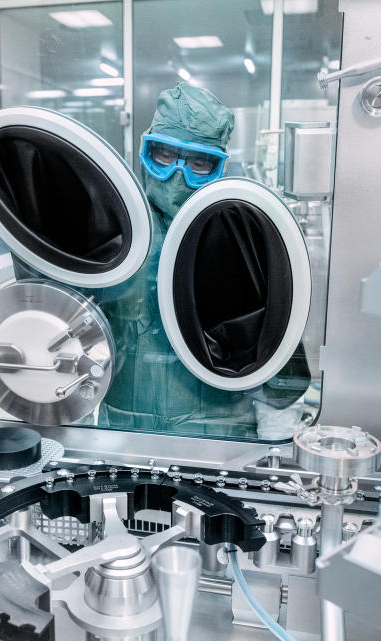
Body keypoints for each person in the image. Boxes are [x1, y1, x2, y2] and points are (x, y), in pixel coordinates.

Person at [99, 82, 309, 436]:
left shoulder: (240, 231)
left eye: (199, 162)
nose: (178, 177)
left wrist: (275, 440)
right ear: (144, 151)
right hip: (123, 435)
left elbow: (277, 348)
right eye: (163, 156)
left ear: (219, 167)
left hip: (217, 436)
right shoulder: (113, 232)